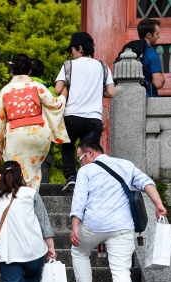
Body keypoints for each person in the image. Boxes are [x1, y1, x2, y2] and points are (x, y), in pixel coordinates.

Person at [69, 138, 167, 282]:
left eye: (80, 159)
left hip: (94, 225)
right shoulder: (125, 165)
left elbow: (79, 200)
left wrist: (75, 227)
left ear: (89, 153)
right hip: (122, 227)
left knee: (78, 250)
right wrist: (158, 204)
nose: (81, 163)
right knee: (121, 270)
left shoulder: (86, 170)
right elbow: (146, 182)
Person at [0, 54, 70, 191]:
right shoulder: (37, 87)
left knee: (14, 170)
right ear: (29, 72)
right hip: (39, 134)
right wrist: (63, 96)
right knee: (35, 169)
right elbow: (55, 105)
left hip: (16, 133)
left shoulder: (6, 90)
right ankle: (32, 196)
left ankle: (16, 197)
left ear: (11, 71)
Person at [54, 32, 115, 191]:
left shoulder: (69, 65)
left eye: (72, 50)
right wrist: (93, 90)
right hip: (93, 119)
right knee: (89, 151)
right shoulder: (103, 66)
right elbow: (111, 93)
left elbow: (58, 89)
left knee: (68, 146)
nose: (71, 53)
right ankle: (88, 180)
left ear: (80, 48)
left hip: (72, 117)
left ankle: (71, 178)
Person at [30, 58, 56, 184]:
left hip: (24, 129)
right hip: (45, 131)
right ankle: (44, 193)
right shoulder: (49, 88)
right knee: (44, 163)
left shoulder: (19, 87)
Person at [138, 18, 165, 98]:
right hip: (148, 99)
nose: (159, 36)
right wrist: (162, 78)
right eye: (157, 34)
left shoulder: (132, 51)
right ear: (149, 35)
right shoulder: (153, 54)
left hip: (133, 99)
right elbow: (158, 83)